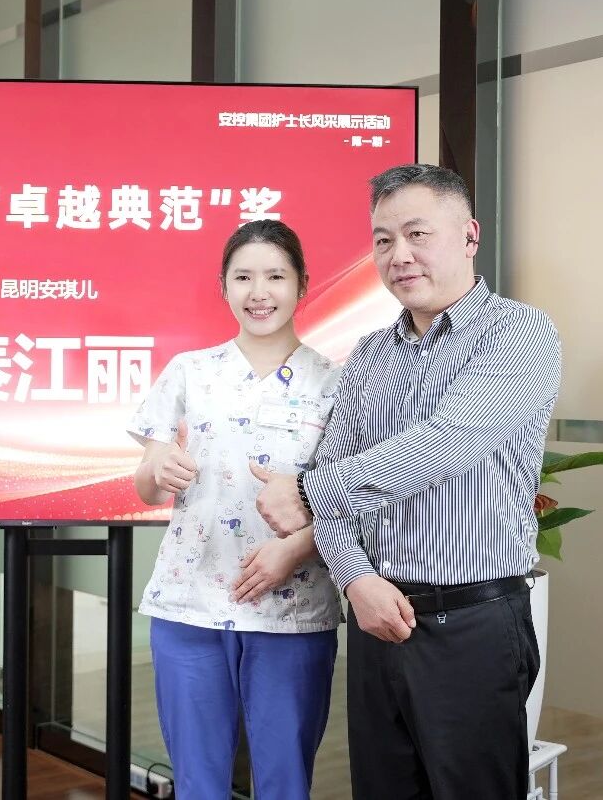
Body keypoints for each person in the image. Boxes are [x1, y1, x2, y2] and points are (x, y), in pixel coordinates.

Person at [252, 164, 561, 799]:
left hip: (474, 624)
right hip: (376, 620)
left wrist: (305, 492)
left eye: (418, 234)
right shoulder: (369, 354)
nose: (399, 255)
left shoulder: (520, 332)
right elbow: (335, 466)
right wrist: (355, 579)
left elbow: (447, 444)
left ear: (469, 236)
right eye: (384, 239)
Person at [128, 219, 343, 799]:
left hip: (291, 609)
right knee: (198, 784)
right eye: (243, 277)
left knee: (284, 781)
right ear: (223, 286)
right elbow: (147, 487)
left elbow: (350, 499)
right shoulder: (189, 371)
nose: (259, 292)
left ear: (302, 284)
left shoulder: (336, 383)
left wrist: (293, 549)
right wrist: (157, 466)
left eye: (276, 276)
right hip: (190, 603)